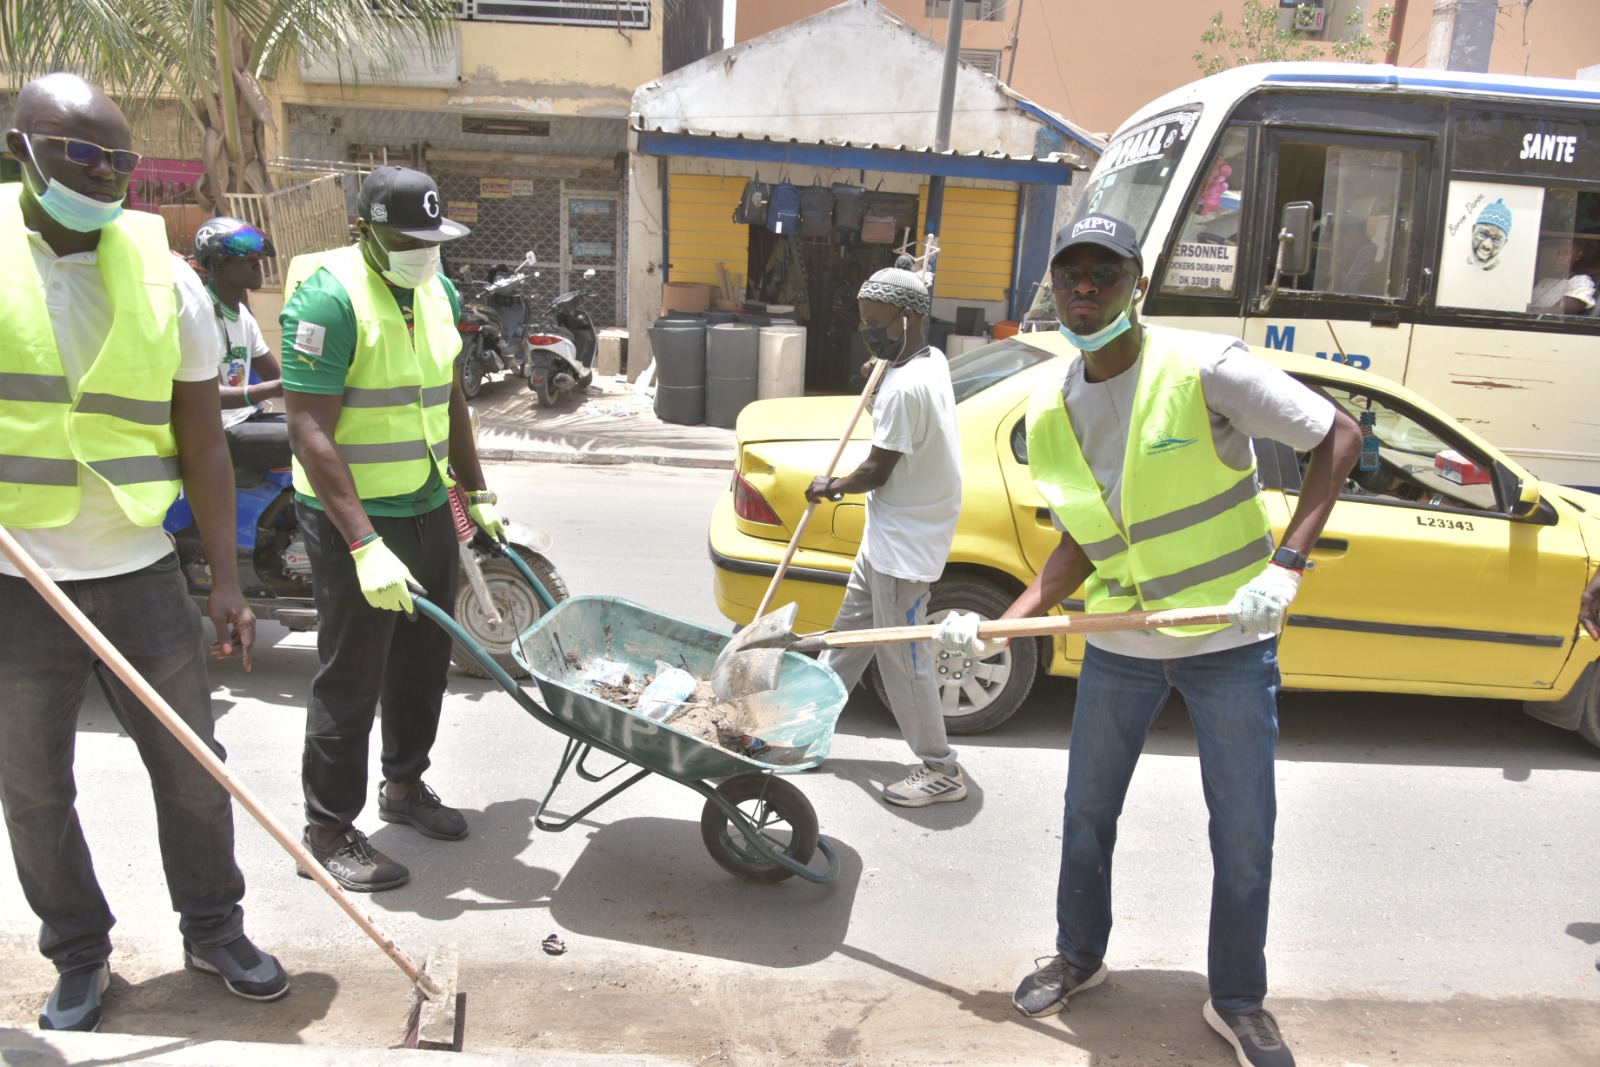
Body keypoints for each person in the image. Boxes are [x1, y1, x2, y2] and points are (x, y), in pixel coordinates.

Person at [936, 215, 1360, 1067]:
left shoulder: (1205, 368)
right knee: (1087, 813)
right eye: (1071, 276)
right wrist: (1005, 623)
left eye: (1104, 272)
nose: (1085, 289)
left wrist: (1286, 566)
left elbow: (1339, 434)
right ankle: (1079, 957)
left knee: (1244, 830)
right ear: (1053, 290)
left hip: (1229, 641)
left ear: (1137, 285)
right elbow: (1085, 541)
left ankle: (1238, 999)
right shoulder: (1054, 404)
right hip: (1124, 648)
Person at [0, 72, 288, 1032]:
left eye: (118, 157)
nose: (104, 173)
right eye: (81, 153)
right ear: (23, 149)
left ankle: (213, 926)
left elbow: (203, 440)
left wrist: (228, 581)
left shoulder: (166, 273)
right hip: (16, 579)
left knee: (194, 768)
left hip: (135, 567)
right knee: (35, 787)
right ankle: (78, 952)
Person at [281, 166, 503, 892]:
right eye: (408, 237)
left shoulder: (440, 290)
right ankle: (327, 829)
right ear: (367, 230)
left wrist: (477, 489)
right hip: (352, 516)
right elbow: (310, 427)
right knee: (352, 674)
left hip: (425, 502)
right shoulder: (330, 297)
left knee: (421, 661)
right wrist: (362, 541)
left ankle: (403, 787)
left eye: (433, 238)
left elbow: (451, 397)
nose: (423, 249)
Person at [804, 256, 965, 807]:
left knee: (905, 664)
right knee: (846, 639)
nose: (866, 331)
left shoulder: (905, 388)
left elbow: (876, 470)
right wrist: (881, 376)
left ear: (907, 317)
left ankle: (942, 768)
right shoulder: (926, 359)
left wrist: (830, 487)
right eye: (863, 320)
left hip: (905, 548)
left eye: (876, 322)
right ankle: (808, 728)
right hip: (887, 534)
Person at [193, 216, 291, 472]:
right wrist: (280, 385)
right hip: (219, 432)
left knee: (325, 427)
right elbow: (212, 397)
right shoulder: (199, 314)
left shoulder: (243, 316)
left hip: (248, 419)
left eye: (257, 259)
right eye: (247, 260)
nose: (257, 266)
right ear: (217, 265)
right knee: (307, 438)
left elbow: (277, 381)